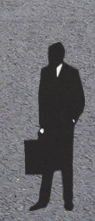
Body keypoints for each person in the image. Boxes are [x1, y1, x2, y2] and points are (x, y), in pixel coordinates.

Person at [36, 42, 85, 211]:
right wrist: (42, 125)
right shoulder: (45, 72)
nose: (50, 57)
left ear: (60, 55)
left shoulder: (72, 73)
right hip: (49, 126)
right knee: (47, 164)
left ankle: (68, 201)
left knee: (66, 165)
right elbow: (41, 100)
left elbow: (80, 100)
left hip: (65, 127)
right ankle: (43, 200)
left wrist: (72, 120)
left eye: (52, 54)